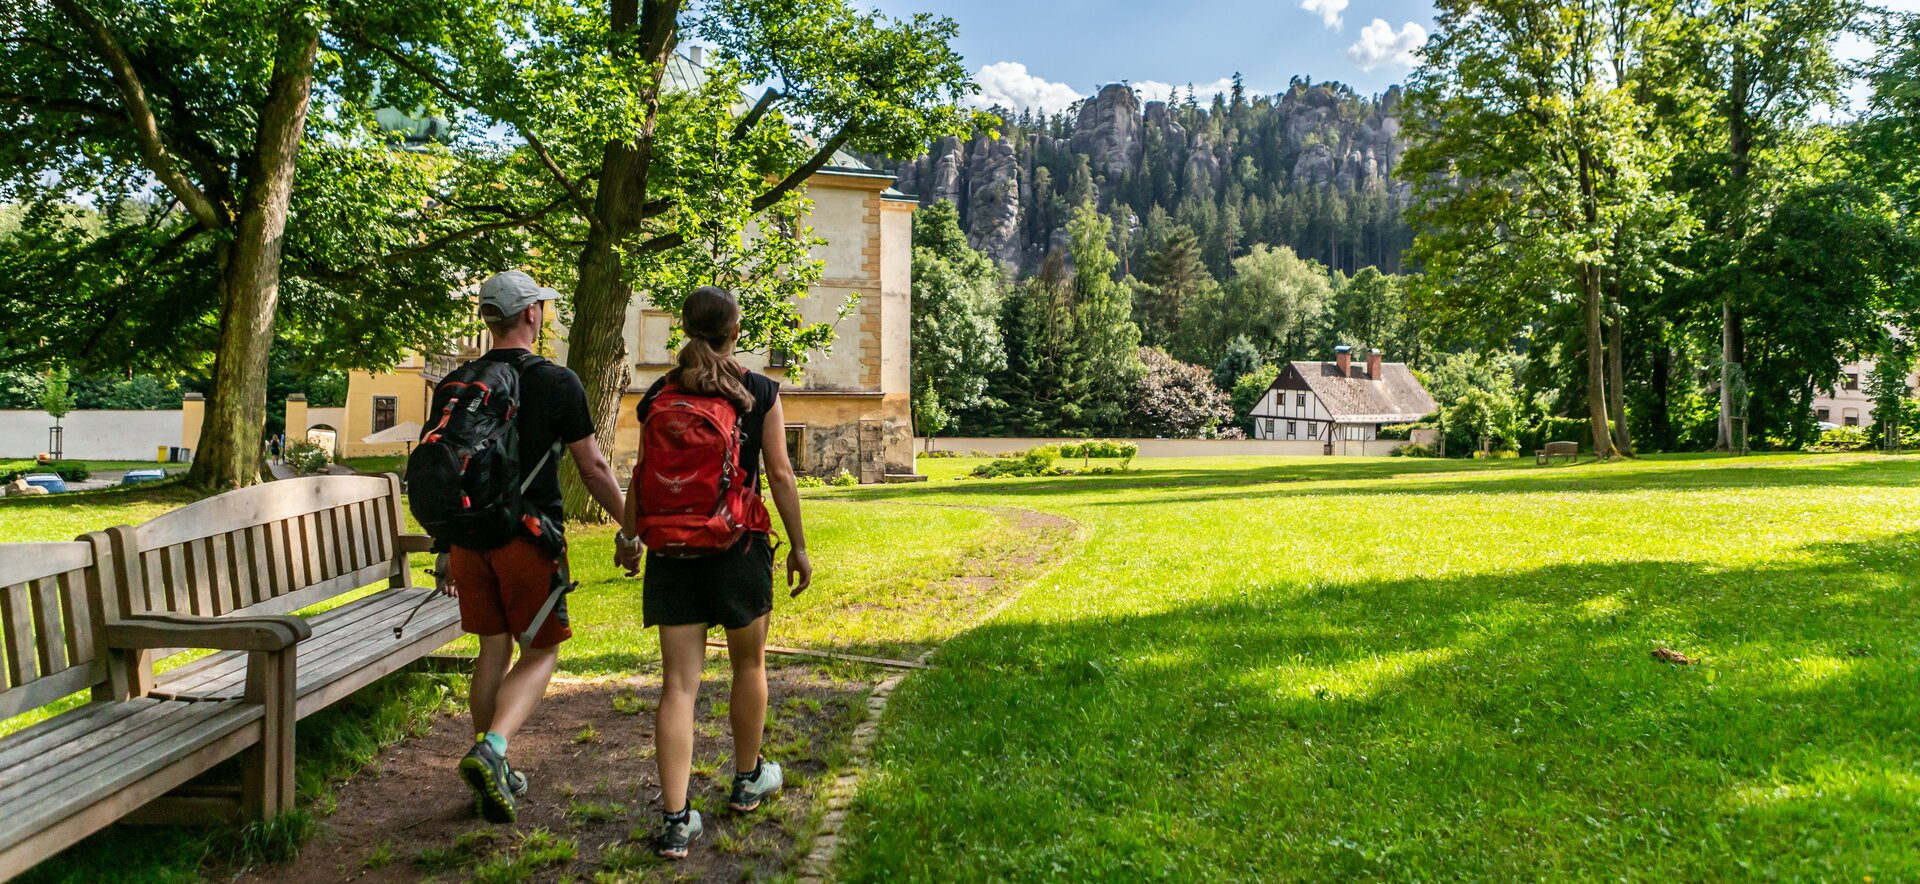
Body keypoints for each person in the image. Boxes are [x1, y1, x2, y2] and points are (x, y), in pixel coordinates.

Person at [619, 286, 812, 859]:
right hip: (738, 546)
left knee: (678, 685)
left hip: (672, 553)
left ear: (686, 328)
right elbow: (779, 474)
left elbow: (640, 472)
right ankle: (748, 780)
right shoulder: (759, 390)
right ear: (734, 333)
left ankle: (677, 820)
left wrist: (630, 538)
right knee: (748, 665)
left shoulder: (658, 393)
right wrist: (798, 548)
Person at [436, 269, 632, 824]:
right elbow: (593, 468)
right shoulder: (557, 381)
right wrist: (629, 526)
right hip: (526, 537)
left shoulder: (454, 383)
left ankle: (488, 761)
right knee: (542, 651)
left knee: (491, 651)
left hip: (469, 540)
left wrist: (444, 546)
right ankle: (492, 750)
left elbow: (447, 471)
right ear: (530, 314)